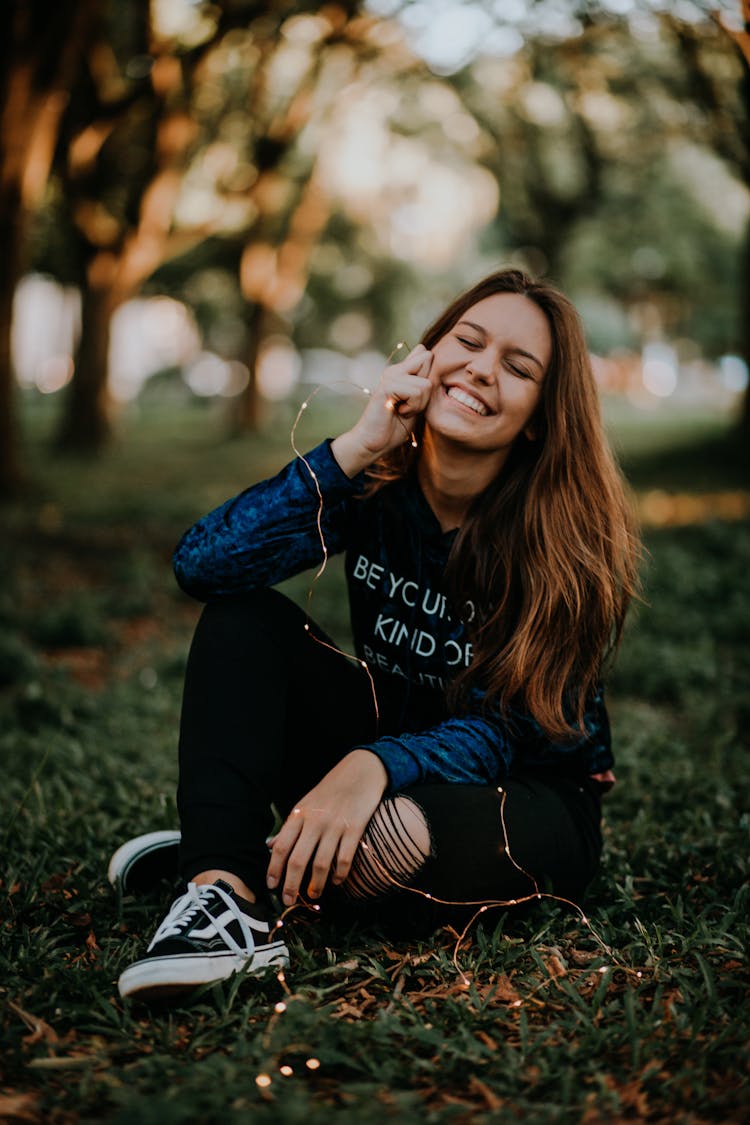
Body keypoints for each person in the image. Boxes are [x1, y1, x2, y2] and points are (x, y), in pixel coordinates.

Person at [112, 268, 639, 1002]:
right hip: (385, 743)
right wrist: (356, 445)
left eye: (518, 368)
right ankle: (223, 888)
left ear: (541, 417)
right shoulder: (376, 485)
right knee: (243, 618)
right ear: (427, 357)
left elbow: (510, 730)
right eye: (469, 342)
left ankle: (257, 851)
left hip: (525, 790)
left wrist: (374, 763)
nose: (483, 369)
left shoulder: (565, 542)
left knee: (393, 840)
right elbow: (204, 565)